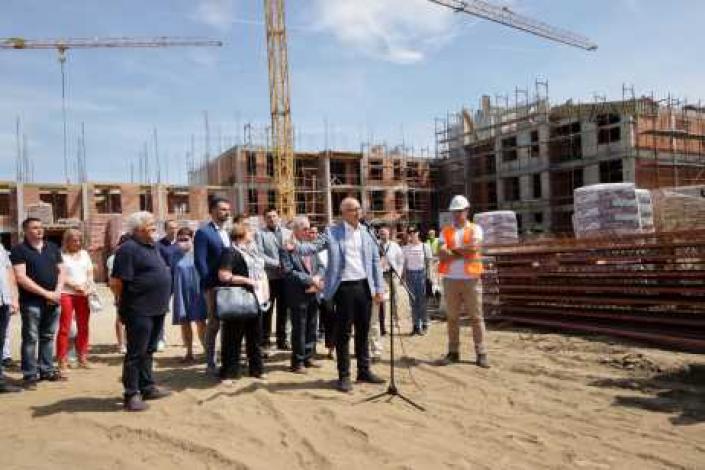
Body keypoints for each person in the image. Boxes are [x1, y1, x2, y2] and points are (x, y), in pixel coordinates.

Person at [292, 197, 385, 393]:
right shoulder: (332, 232)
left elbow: (375, 261)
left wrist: (379, 288)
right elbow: (314, 246)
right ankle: (344, 376)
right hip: (343, 289)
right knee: (343, 334)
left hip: (364, 287)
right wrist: (296, 247)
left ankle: (364, 370)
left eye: (359, 208)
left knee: (363, 331)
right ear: (343, 213)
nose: (357, 212)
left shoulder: (367, 232)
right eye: (353, 209)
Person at [110, 211, 173, 412]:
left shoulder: (152, 246)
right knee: (136, 353)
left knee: (149, 349)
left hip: (157, 307)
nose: (154, 227)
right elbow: (117, 282)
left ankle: (147, 387)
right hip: (138, 309)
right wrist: (122, 306)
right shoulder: (128, 249)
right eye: (150, 224)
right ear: (138, 228)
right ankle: (131, 394)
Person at [11, 218, 66, 388]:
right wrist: (46, 293)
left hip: (53, 300)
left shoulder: (52, 247)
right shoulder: (19, 250)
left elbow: (62, 271)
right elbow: (21, 277)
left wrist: (57, 292)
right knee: (30, 338)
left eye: (41, 227)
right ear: (25, 231)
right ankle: (29, 373)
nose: (39, 230)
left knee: (48, 336)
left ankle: (46, 370)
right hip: (32, 301)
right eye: (35, 228)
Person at [437, 195, 489, 368]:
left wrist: (452, 251)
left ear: (467, 211)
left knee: (476, 317)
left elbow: (473, 249)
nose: (456, 214)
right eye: (454, 211)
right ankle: (453, 352)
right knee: (452, 318)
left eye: (459, 211)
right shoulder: (446, 231)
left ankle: (481, 352)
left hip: (471, 279)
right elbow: (441, 254)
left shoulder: (475, 229)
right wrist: (461, 252)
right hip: (451, 279)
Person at [217, 221, 265, 380]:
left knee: (255, 336)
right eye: (249, 231)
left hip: (254, 298)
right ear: (241, 234)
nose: (252, 234)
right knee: (233, 337)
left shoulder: (250, 251)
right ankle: (229, 372)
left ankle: (256, 370)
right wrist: (247, 280)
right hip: (237, 299)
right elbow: (224, 275)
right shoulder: (230, 252)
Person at [280, 216, 324, 373]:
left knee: (312, 326)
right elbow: (288, 271)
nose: (308, 232)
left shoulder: (310, 247)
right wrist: (310, 280)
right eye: (305, 229)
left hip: (314, 292)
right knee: (299, 328)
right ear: (296, 229)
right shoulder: (286, 247)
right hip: (298, 294)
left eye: (308, 229)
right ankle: (297, 362)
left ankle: (308, 356)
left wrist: (318, 278)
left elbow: (320, 266)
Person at [194, 197, 231, 376]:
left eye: (228, 209)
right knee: (214, 323)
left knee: (229, 323)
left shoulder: (228, 232)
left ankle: (228, 359)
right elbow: (200, 262)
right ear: (213, 211)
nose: (227, 212)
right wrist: (209, 285)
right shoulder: (203, 233)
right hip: (213, 286)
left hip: (231, 285)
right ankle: (210, 362)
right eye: (223, 209)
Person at [56, 229, 94, 372]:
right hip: (67, 293)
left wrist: (87, 285)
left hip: (83, 293)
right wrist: (74, 285)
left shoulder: (84, 254)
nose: (77, 243)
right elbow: (59, 274)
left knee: (84, 326)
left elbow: (89, 272)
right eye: (74, 240)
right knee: (65, 327)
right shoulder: (60, 255)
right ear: (67, 241)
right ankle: (62, 359)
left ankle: (82, 356)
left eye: (79, 240)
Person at [255, 208, 292, 351]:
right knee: (267, 310)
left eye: (274, 216)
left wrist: (287, 265)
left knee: (284, 310)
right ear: (264, 219)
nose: (272, 219)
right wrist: (277, 264)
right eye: (268, 217)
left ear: (279, 217)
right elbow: (259, 254)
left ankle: (282, 340)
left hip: (285, 278)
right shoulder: (260, 234)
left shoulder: (288, 233)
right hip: (269, 277)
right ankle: (265, 340)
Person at [170, 227, 206, 362]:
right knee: (184, 322)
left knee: (200, 321)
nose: (183, 242)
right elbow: (171, 274)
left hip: (197, 292)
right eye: (180, 240)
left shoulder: (199, 254)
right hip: (181, 291)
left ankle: (207, 350)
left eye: (186, 239)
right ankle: (189, 352)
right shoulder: (174, 255)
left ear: (192, 239)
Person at [373, 225, 404, 357]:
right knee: (382, 300)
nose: (383, 235)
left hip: (393, 274)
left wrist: (399, 274)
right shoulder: (376, 245)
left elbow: (400, 260)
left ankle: (396, 319)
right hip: (381, 275)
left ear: (389, 234)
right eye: (381, 234)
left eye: (384, 233)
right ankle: (383, 324)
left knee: (395, 298)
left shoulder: (395, 246)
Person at [403, 226, 432, 336]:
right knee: (413, 301)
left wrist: (429, 277)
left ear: (418, 233)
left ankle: (424, 323)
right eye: (409, 232)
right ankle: (415, 325)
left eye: (413, 231)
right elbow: (405, 264)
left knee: (422, 301)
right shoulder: (406, 248)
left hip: (422, 275)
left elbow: (429, 264)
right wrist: (403, 277)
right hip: (410, 275)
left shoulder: (425, 247)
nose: (411, 234)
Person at [0, 243, 21, 393]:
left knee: (0, 341)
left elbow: (9, 271)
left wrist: (14, 297)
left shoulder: (0, 247)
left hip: (3, 300)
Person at [107, 234, 130, 354]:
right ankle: (121, 343)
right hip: (120, 290)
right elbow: (112, 279)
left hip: (131, 290)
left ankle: (127, 341)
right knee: (120, 317)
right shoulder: (113, 258)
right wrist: (116, 294)